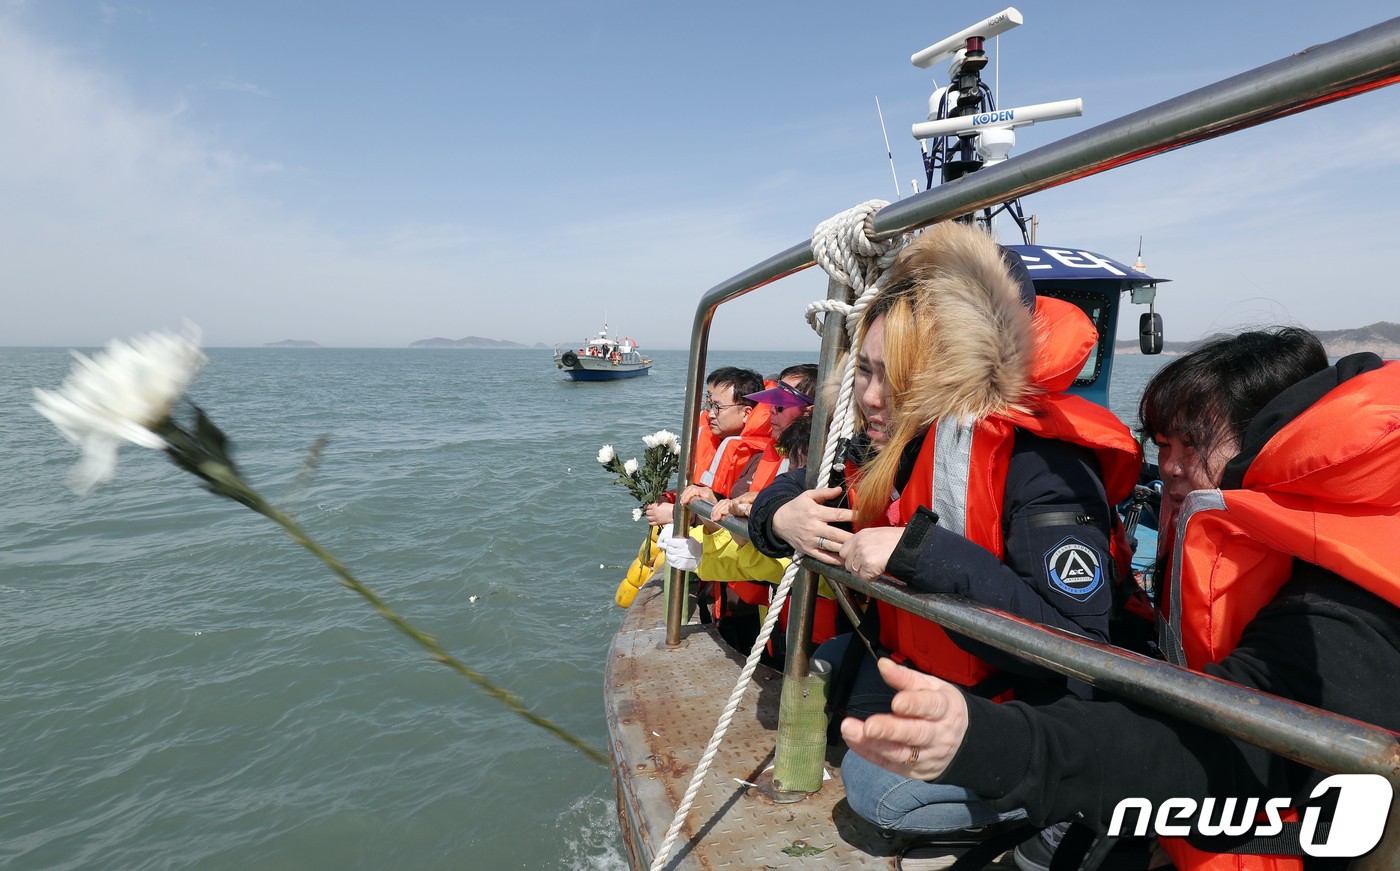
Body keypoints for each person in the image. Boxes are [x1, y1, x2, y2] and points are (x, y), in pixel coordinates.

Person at [840, 327, 1400, 871]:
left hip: (1227, 784)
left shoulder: (1339, 594)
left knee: (876, 789)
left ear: (1273, 442)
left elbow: (1232, 722)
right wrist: (773, 517)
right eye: (1163, 446)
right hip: (1117, 726)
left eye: (1192, 445)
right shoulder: (1236, 527)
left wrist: (994, 742)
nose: (1171, 468)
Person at [747, 220, 1142, 836]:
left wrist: (921, 554)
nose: (872, 398)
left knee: (874, 791)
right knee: (827, 666)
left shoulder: (1043, 464)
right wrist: (780, 515)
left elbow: (1080, 650)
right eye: (865, 371)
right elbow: (802, 487)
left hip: (1029, 700)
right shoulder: (895, 442)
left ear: (944, 371)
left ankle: (1065, 802)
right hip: (931, 665)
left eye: (895, 376)